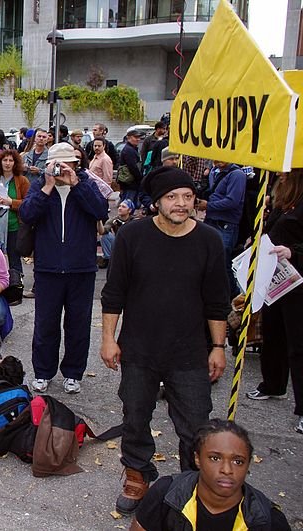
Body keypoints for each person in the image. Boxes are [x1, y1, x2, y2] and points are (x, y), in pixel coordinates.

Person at [100, 166, 230, 515]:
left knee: (196, 425)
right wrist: (108, 339)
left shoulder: (209, 240)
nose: (181, 203)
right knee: (135, 416)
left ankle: (195, 484)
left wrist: (218, 347)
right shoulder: (132, 236)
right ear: (157, 202)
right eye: (172, 197)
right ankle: (137, 474)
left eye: (187, 196)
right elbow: (114, 294)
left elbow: (217, 301)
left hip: (189, 351)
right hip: (139, 348)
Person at [20, 142, 107, 395]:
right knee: (46, 324)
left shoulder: (85, 184)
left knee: (78, 324)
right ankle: (43, 372)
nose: (63, 168)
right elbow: (27, 214)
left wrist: (76, 185)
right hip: (48, 268)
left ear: (77, 164)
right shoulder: (40, 186)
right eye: (58, 163)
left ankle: (73, 373)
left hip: (81, 268)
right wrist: (47, 186)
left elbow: (100, 209)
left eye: (69, 163)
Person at [131, 419, 291, 531]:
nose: (227, 470)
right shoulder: (166, 494)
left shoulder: (268, 520)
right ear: (197, 459)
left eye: (238, 461)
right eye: (215, 458)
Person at [245, 169, 303, 435]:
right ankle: (273, 383)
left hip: (298, 282)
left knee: (298, 345)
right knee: (273, 334)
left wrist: (293, 252)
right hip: (276, 279)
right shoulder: (281, 198)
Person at [196, 161, 247, 298]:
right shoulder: (214, 171)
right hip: (212, 220)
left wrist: (208, 206)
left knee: (223, 263)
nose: (217, 160)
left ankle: (235, 297)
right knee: (208, 259)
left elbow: (232, 201)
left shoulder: (237, 175)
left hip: (226, 224)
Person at [97, 199, 135, 269]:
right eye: (119, 206)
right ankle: (107, 259)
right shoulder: (114, 220)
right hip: (118, 244)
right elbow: (102, 232)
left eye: (123, 207)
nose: (120, 208)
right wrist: (99, 220)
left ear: (129, 210)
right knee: (106, 235)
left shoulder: (135, 220)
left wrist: (123, 224)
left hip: (131, 247)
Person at [118, 129, 143, 205]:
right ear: (128, 138)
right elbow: (133, 167)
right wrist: (140, 178)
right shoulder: (129, 150)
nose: (138, 139)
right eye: (135, 137)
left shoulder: (132, 149)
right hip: (129, 183)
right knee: (127, 204)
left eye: (139, 137)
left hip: (130, 182)